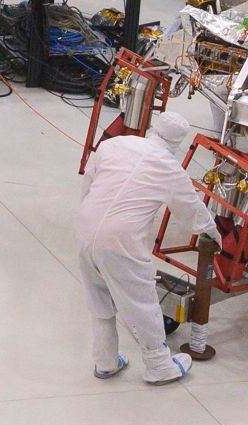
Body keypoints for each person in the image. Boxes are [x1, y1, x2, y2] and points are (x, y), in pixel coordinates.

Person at [78, 111, 218, 385]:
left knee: (99, 297)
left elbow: (87, 186)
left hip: (85, 228)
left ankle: (105, 362)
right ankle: (160, 366)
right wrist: (213, 235)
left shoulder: (114, 144)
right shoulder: (168, 167)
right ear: (178, 141)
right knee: (142, 303)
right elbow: (192, 212)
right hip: (121, 241)